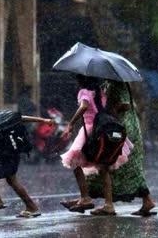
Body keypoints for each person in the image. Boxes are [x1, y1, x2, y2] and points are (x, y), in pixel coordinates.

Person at [60, 75, 132, 215]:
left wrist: (70, 124)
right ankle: (108, 204)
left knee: (74, 162)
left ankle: (85, 197)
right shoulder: (100, 92)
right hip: (103, 128)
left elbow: (85, 106)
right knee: (103, 168)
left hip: (91, 130)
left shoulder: (83, 92)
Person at [84, 80, 156, 216]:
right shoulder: (111, 84)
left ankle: (108, 204)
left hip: (123, 127)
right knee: (129, 167)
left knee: (110, 164)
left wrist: (112, 109)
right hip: (123, 125)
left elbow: (126, 104)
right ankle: (146, 201)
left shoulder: (117, 84)